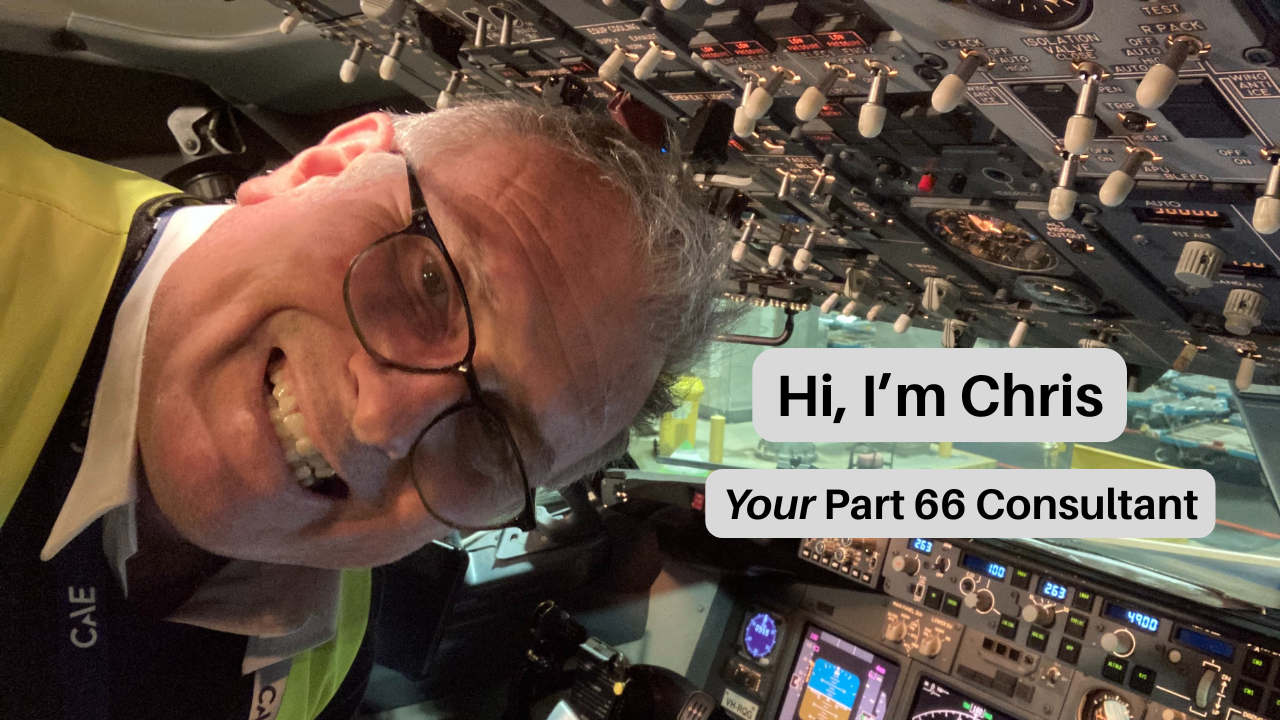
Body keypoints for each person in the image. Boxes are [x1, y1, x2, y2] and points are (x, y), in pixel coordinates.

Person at [0, 101, 731, 720]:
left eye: (494, 437)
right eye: (431, 283)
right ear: (321, 166)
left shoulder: (327, 653)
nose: (387, 418)